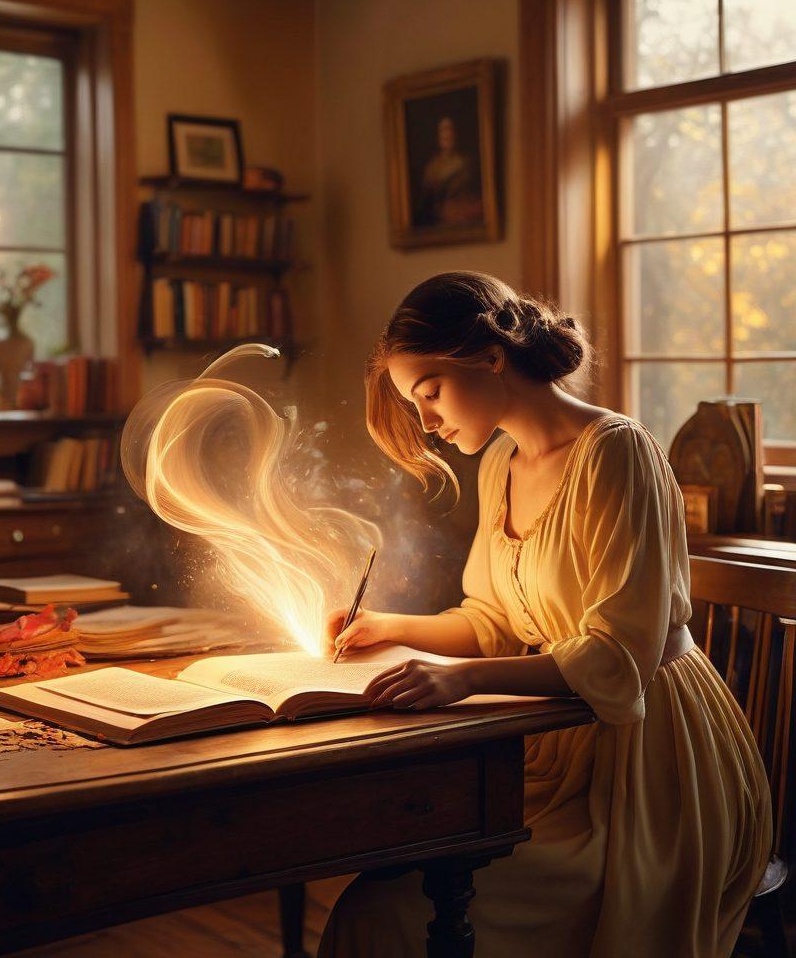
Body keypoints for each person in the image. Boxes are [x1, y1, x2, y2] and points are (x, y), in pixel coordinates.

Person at [318, 272, 771, 958]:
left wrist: (464, 680)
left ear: (491, 355)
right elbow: (495, 620)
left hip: (655, 757)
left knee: (390, 915)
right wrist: (392, 625)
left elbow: (621, 654)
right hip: (562, 739)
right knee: (380, 888)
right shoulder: (500, 461)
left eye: (431, 392)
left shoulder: (617, 452)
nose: (429, 423)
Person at [414, 117, 481, 227]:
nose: (447, 134)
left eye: (450, 129)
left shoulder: (465, 163)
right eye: (443, 130)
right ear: (438, 136)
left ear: (455, 134)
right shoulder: (432, 167)